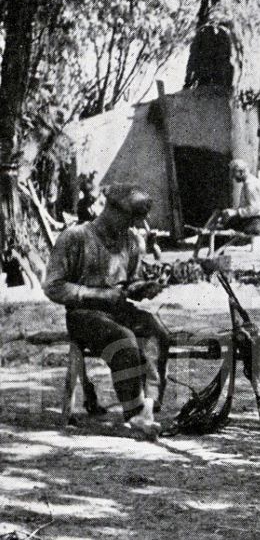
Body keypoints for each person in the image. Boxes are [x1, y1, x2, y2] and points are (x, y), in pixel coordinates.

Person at [44, 184, 169, 438]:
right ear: (112, 210)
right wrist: (98, 294)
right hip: (83, 315)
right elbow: (53, 287)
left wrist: (143, 288)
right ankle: (135, 414)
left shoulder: (131, 241)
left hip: (117, 309)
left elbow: (130, 283)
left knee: (157, 331)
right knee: (124, 340)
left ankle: (149, 405)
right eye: (129, 219)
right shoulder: (75, 237)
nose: (132, 226)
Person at [214, 159, 260, 235]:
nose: (234, 178)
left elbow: (255, 208)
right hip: (253, 219)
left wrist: (235, 212)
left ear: (241, 172)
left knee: (223, 231)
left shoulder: (250, 185)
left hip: (255, 222)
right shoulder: (250, 182)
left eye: (234, 175)